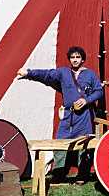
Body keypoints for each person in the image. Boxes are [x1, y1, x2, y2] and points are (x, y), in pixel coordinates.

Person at [17, 46, 103, 184]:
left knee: (84, 145)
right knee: (59, 143)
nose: (75, 60)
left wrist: (86, 100)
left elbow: (99, 91)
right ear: (69, 59)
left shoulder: (90, 75)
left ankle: (82, 175)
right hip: (68, 115)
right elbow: (47, 75)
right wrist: (28, 72)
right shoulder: (63, 72)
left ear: (83, 59)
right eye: (72, 57)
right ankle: (59, 174)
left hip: (84, 115)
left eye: (78, 57)